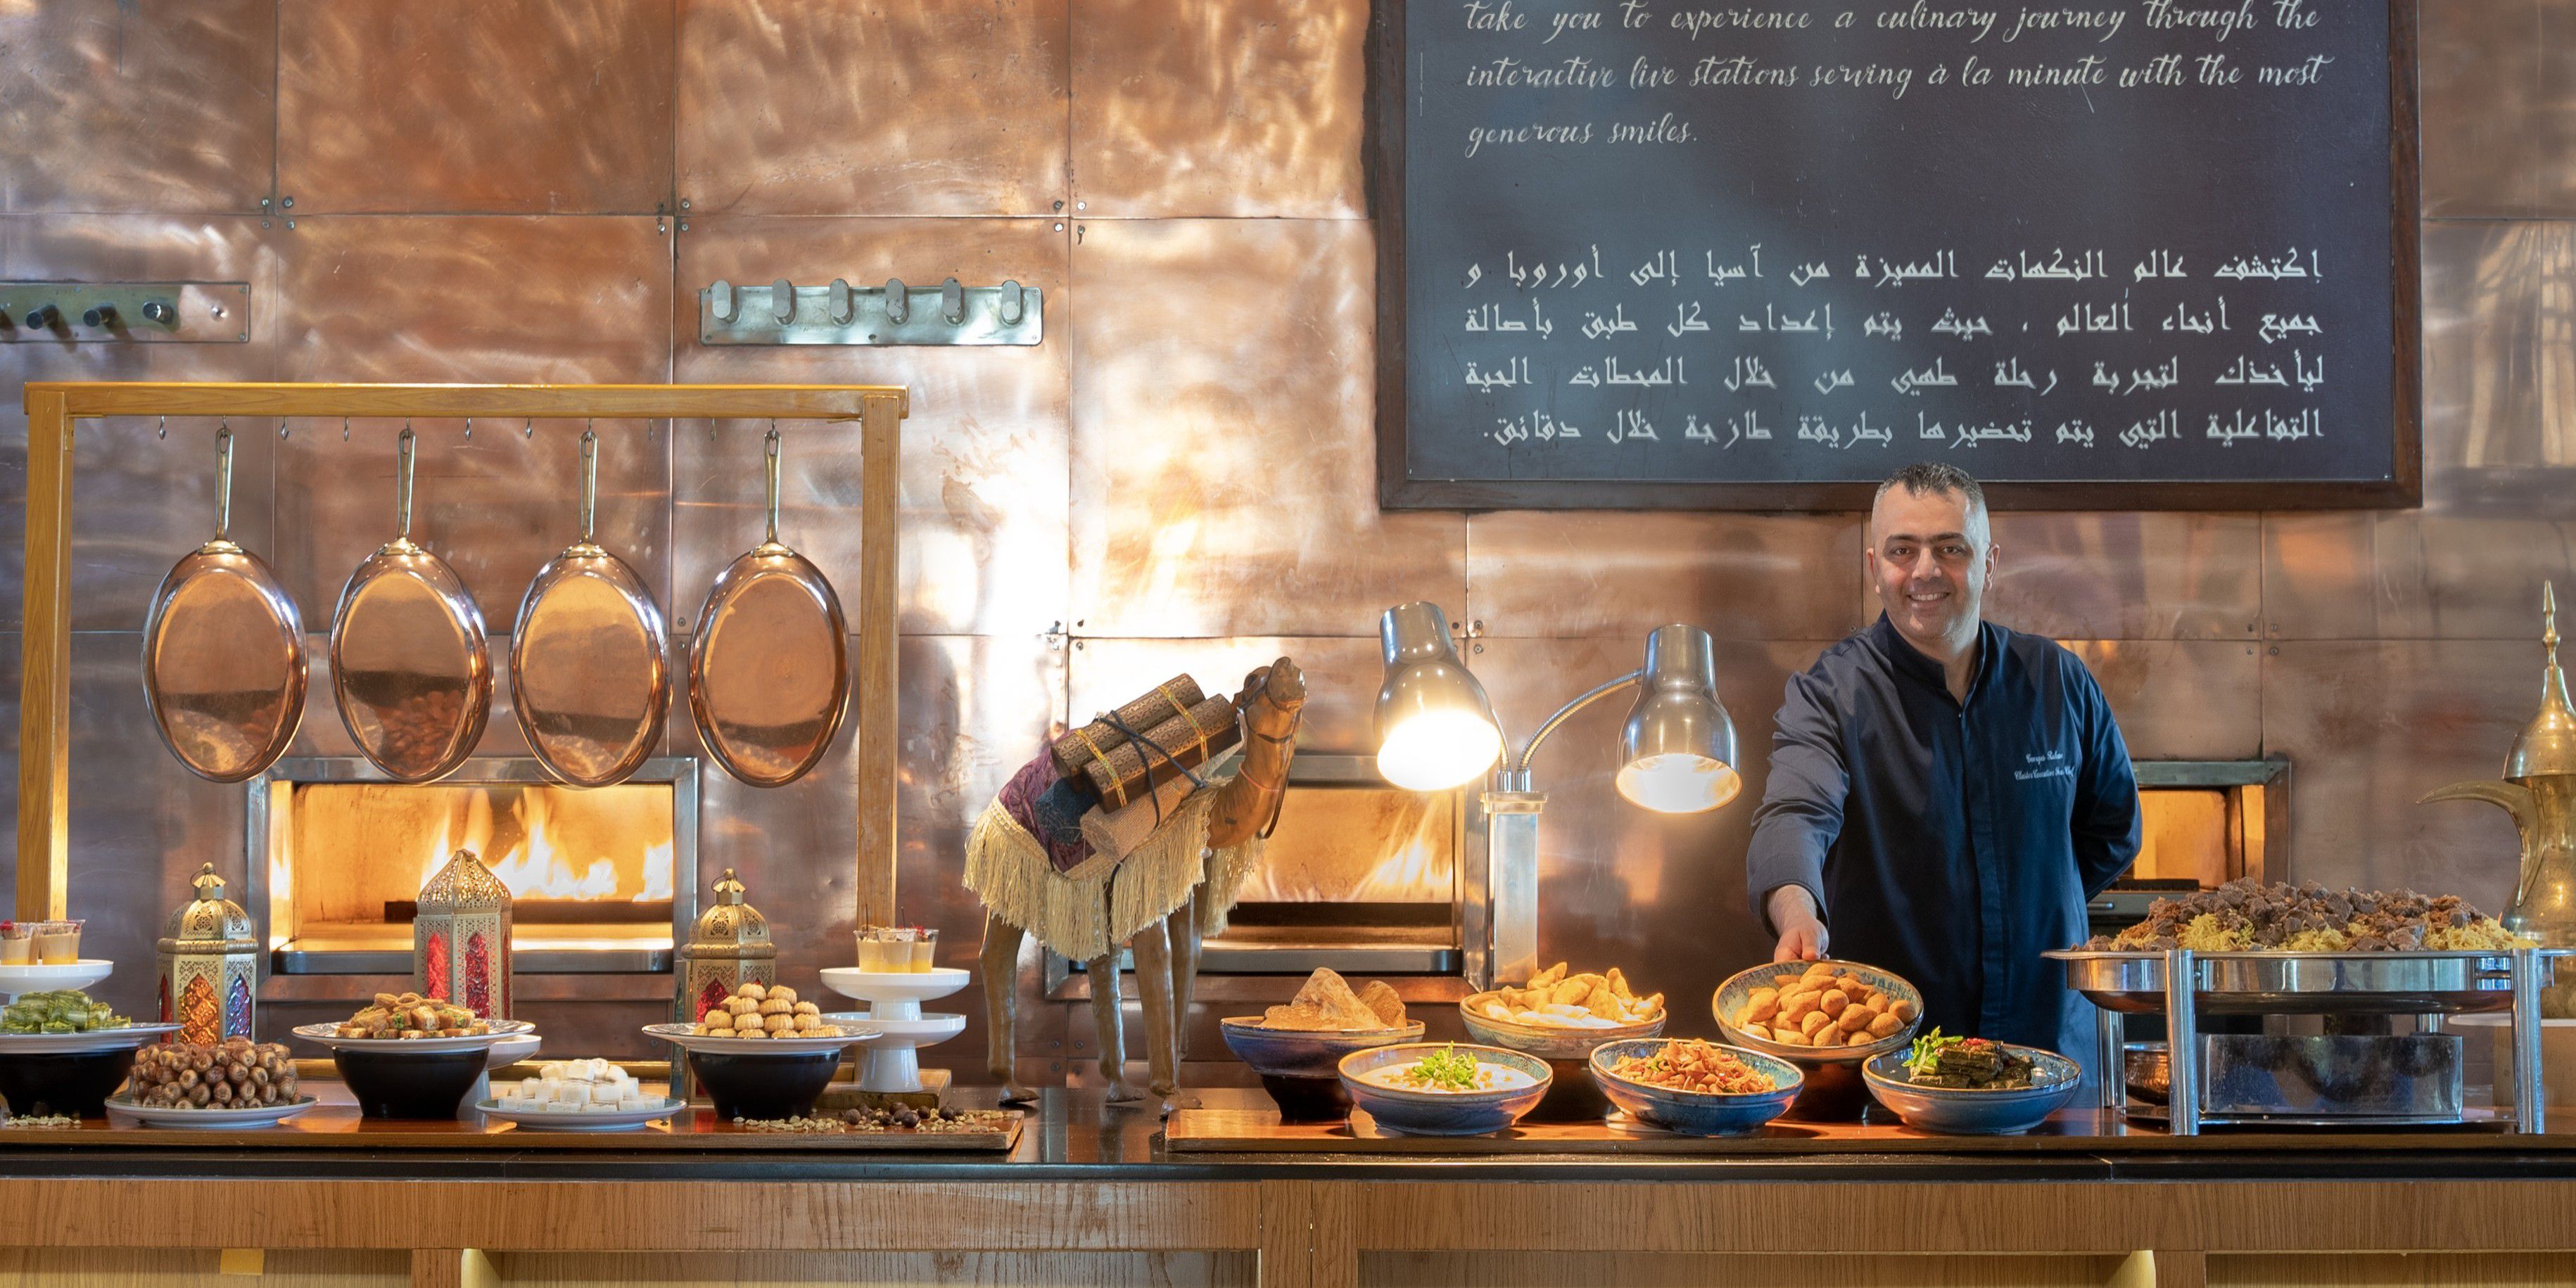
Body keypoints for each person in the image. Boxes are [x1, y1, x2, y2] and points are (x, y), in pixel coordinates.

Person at [1744, 463, 2140, 1066]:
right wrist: (1797, 908)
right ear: (1875, 566)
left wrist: (2030, 898)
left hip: (2047, 1052)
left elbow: (2113, 829)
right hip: (1895, 1062)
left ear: (1988, 561)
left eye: (1949, 548)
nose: (1925, 570)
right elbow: (1796, 810)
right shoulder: (1832, 690)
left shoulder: (2058, 681)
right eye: (1903, 550)